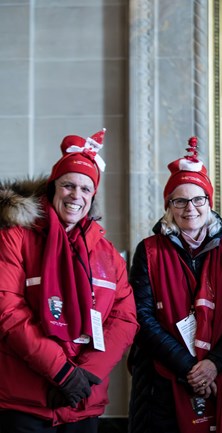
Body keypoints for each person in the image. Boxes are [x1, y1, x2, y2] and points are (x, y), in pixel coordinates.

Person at [0, 129, 138, 432]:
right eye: (68, 185)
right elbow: (7, 311)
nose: (76, 195)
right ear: (53, 189)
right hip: (26, 401)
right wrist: (61, 372)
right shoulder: (15, 239)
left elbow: (124, 318)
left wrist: (86, 375)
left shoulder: (107, 252)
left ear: (93, 197)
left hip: (82, 400)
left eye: (86, 189)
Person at [127, 137, 222, 433]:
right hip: (160, 386)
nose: (190, 208)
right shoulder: (148, 251)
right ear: (169, 206)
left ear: (209, 202)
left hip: (218, 376)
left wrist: (213, 365)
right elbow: (142, 318)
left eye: (198, 199)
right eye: (180, 200)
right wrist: (190, 368)